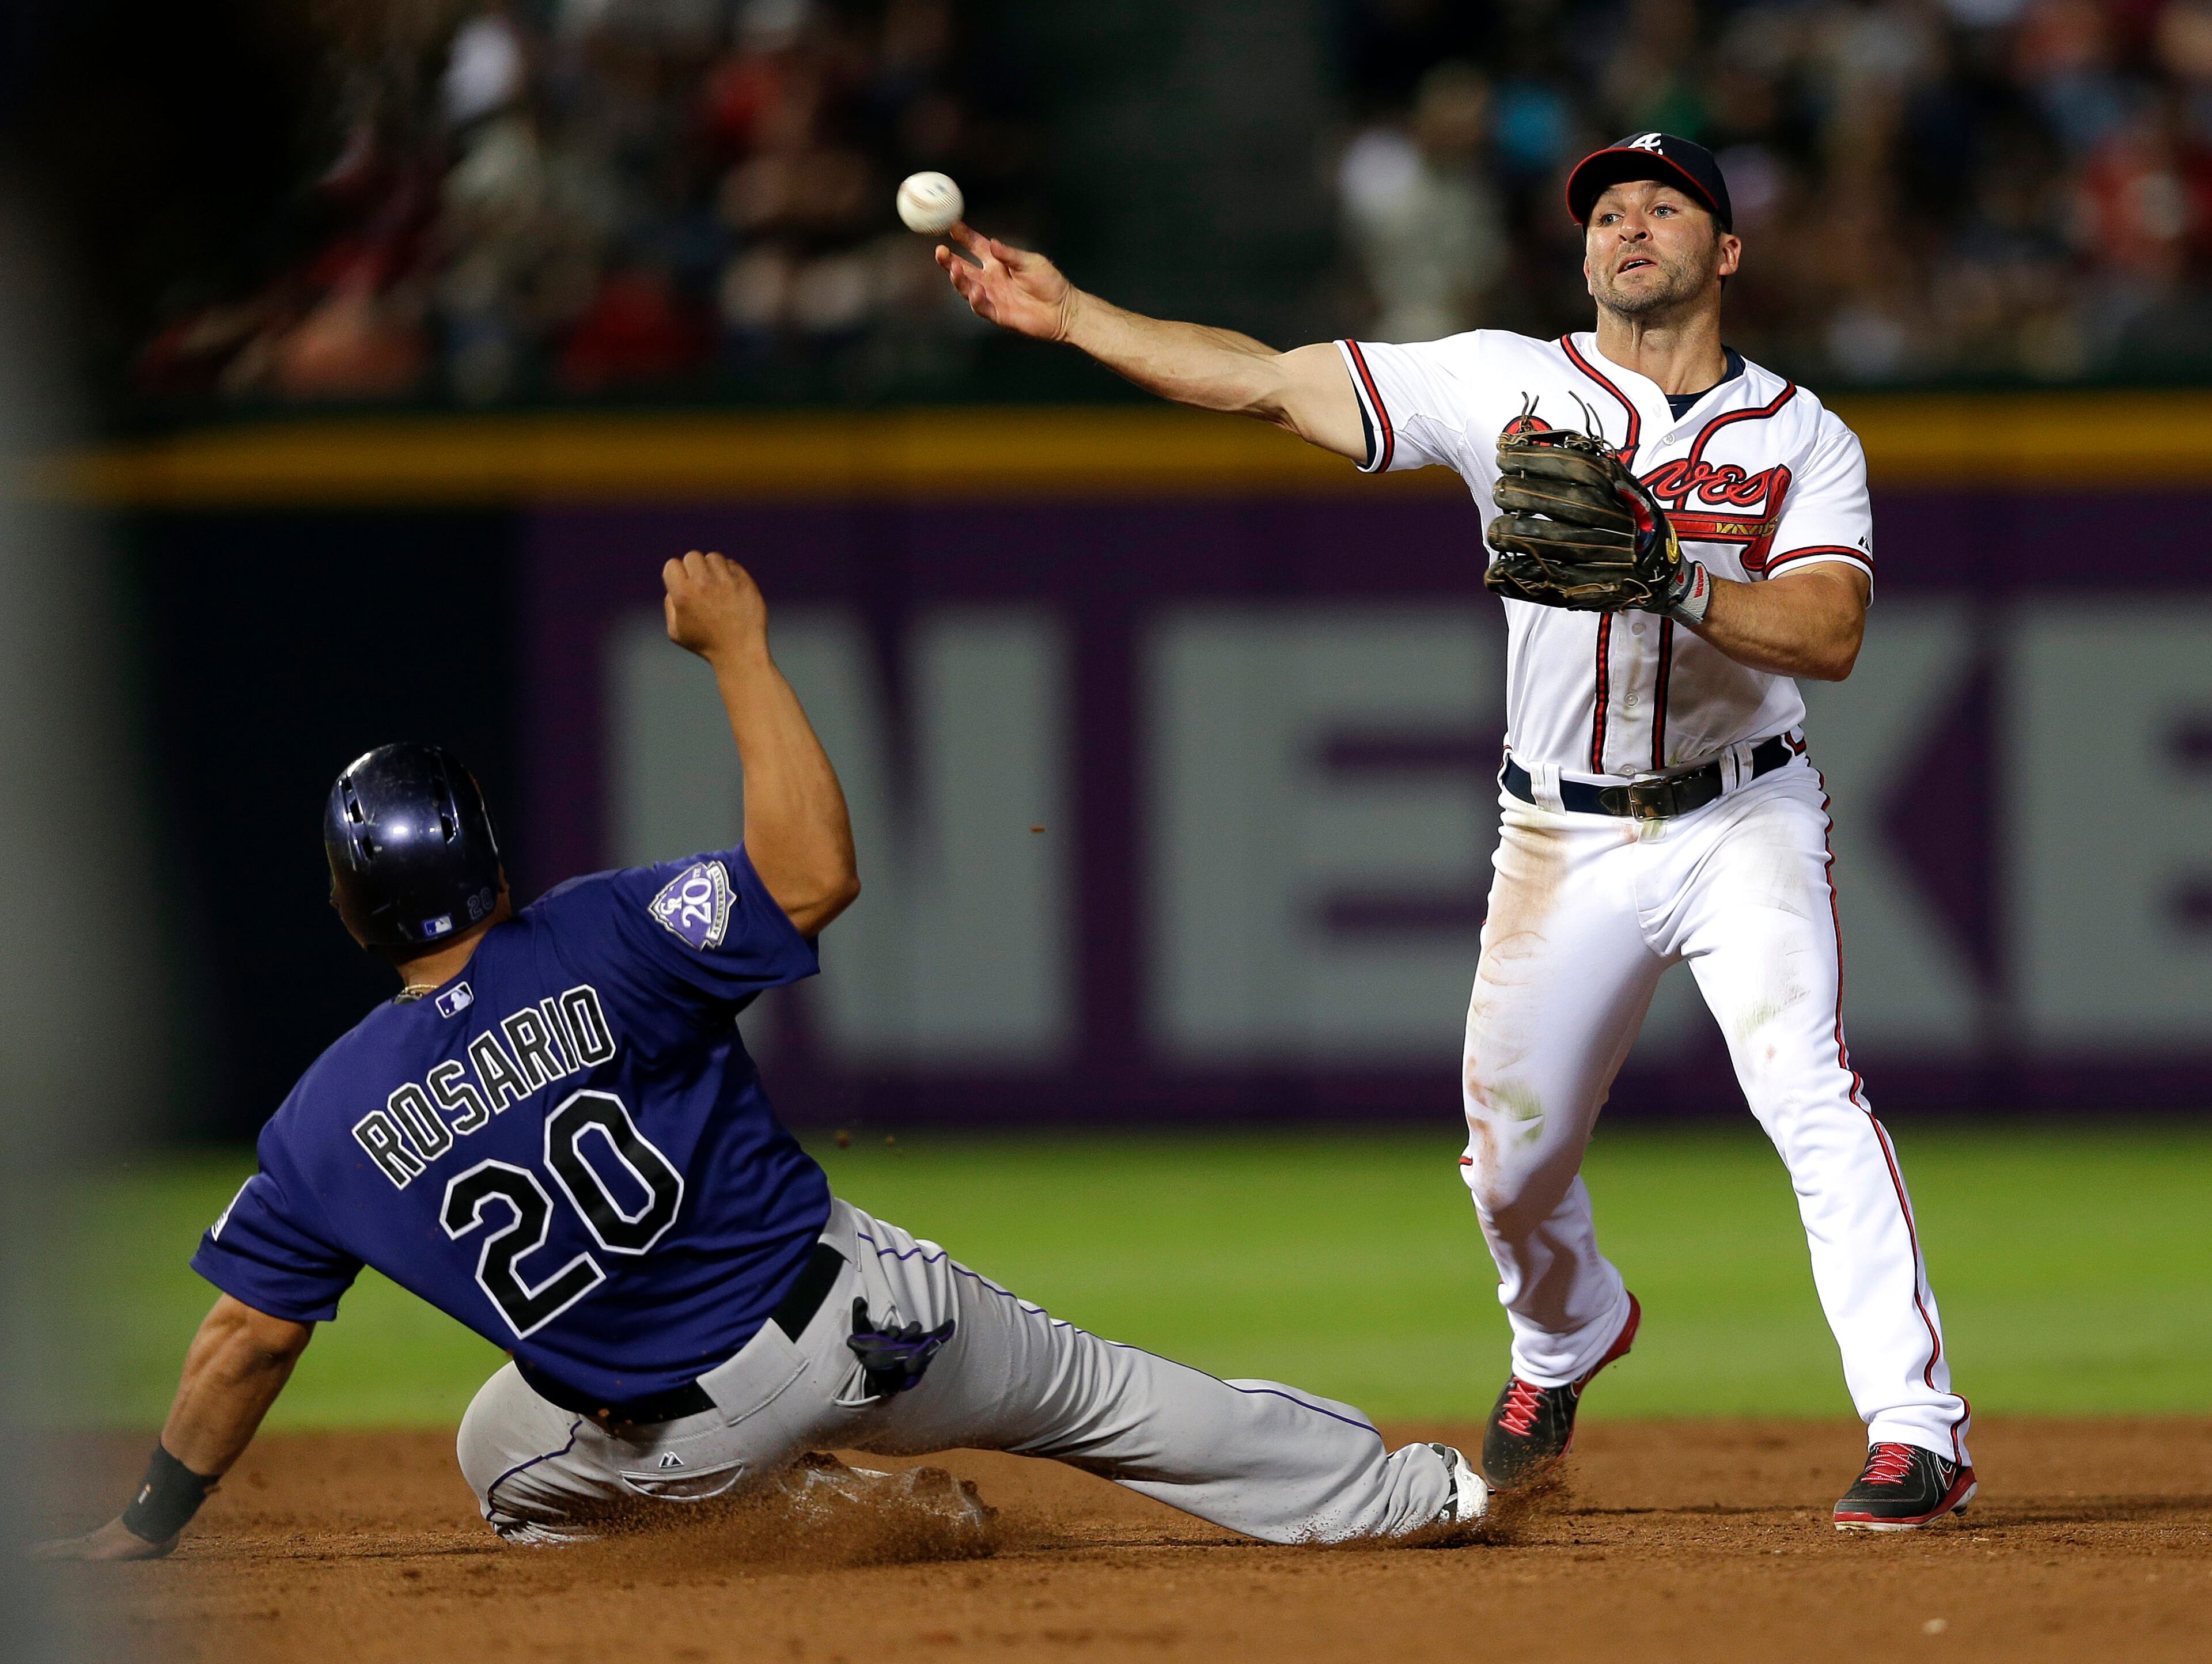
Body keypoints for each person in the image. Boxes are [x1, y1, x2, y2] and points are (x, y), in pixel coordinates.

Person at [40, 551, 1484, 1560]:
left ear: (350, 905)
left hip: (686, 1445)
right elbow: (810, 874)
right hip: (874, 1320)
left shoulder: (319, 1124)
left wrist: (147, 1520)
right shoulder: (599, 933)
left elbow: (248, 1339)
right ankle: (1414, 1495)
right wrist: (738, 651)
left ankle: (832, 1521)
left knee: (508, 1466)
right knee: (1113, 1400)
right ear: (485, 851)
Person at [935, 132, 1973, 1532]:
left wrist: (1671, 575)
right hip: (1559, 838)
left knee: (1810, 1095)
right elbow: (1264, 379)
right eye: (1607, 209)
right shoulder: (1506, 382)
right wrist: (1073, 317)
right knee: (1510, 1167)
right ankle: (1565, 1334)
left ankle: (1917, 1425)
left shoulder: (1803, 436)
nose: (1630, 226)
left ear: (1727, 251)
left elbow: (1832, 633)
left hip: (1744, 815)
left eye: (1666, 206)